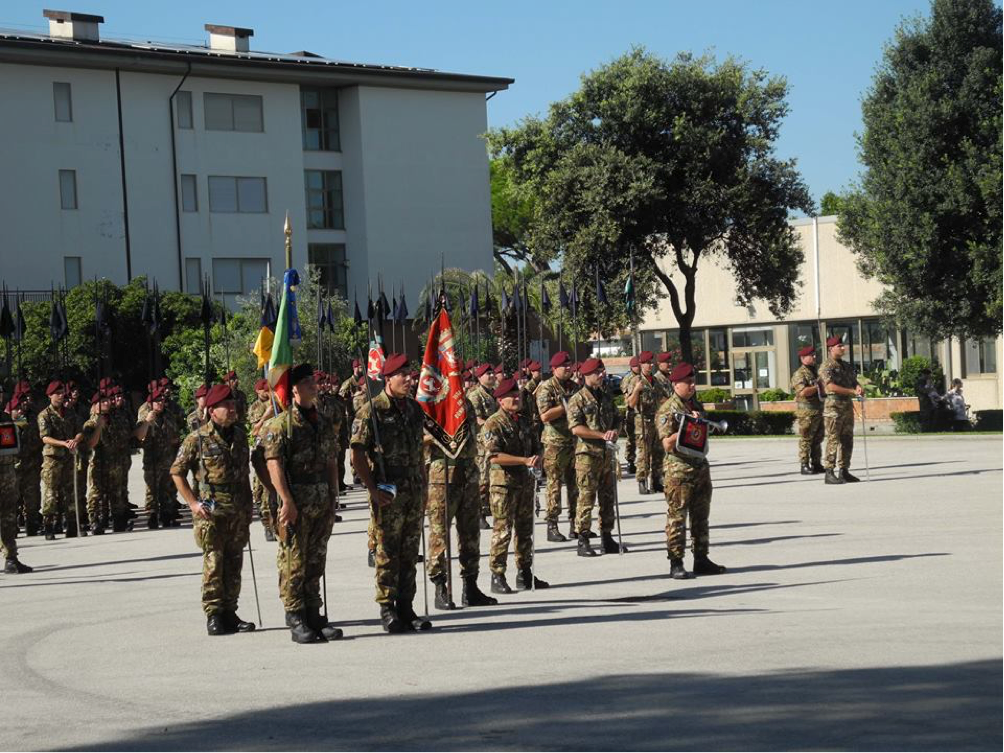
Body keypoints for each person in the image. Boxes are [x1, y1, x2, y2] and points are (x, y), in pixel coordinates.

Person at [351, 353, 431, 634]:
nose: (410, 380)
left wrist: (424, 483)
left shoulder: (413, 409)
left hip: (413, 489)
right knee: (387, 552)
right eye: (403, 376)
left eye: (411, 375)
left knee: (410, 551)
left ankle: (407, 607)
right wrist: (372, 489)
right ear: (388, 379)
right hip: (388, 491)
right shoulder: (371, 411)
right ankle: (387, 607)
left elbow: (418, 450)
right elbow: (357, 453)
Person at [263, 364, 343, 644]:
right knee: (293, 561)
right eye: (307, 382)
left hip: (321, 499)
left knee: (315, 560)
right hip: (296, 500)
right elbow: (273, 465)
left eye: (313, 381)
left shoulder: (322, 421)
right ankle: (295, 615)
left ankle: (314, 613)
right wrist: (286, 500)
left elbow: (332, 459)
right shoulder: (280, 425)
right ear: (293, 388)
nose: (313, 385)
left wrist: (333, 495)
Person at [171, 384, 256, 636]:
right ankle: (214, 614)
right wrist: (192, 503)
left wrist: (250, 506)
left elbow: (244, 474)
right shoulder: (197, 438)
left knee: (234, 562)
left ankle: (231, 611)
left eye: (233, 404)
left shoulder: (240, 436)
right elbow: (177, 472)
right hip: (211, 510)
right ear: (211, 410)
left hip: (238, 509)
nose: (232, 409)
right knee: (214, 562)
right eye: (226, 405)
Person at [424, 393, 497, 610]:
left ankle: (470, 586)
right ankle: (440, 587)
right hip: (442, 476)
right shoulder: (429, 403)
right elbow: (418, 439)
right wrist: (443, 433)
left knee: (470, 533)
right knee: (439, 533)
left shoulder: (464, 402)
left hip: (468, 473)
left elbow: (475, 434)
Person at [655, 362, 726, 579]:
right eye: (688, 382)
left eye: (694, 382)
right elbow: (667, 444)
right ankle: (676, 562)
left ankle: (701, 558)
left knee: (701, 516)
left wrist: (698, 422)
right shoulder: (668, 410)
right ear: (676, 384)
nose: (693, 386)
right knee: (677, 517)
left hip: (699, 468)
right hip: (679, 471)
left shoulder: (693, 405)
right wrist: (688, 426)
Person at [483, 377, 549, 593]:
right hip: (504, 486)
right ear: (501, 400)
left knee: (525, 530)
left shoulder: (524, 420)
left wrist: (538, 456)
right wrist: (523, 460)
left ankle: (525, 573)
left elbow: (537, 445)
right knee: (503, 530)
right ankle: (497, 575)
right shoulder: (493, 423)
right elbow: (493, 456)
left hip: (525, 483)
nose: (516, 398)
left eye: (517, 394)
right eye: (511, 395)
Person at [566, 358, 625, 557]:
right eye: (597, 372)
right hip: (587, 456)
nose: (602, 375)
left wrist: (615, 431)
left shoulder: (606, 396)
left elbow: (617, 418)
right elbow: (576, 428)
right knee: (586, 497)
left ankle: (607, 538)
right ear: (586, 375)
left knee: (608, 498)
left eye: (602, 371)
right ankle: (582, 538)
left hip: (606, 455)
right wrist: (601, 435)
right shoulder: (578, 399)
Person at [536, 351, 578, 541]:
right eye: (564, 366)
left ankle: (575, 523)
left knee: (575, 485)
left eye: (570, 365)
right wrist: (565, 406)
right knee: (554, 485)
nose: (568, 368)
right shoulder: (546, 388)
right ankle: (552, 525)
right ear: (554, 369)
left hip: (573, 442)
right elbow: (544, 415)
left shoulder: (575, 387)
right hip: (555, 443)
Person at [37, 381, 82, 539]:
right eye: (58, 393)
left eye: (63, 393)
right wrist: (63, 443)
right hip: (52, 459)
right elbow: (45, 437)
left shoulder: (70, 413)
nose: (61, 396)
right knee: (50, 492)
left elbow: (79, 431)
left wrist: (75, 440)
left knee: (69, 491)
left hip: (68, 458)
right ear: (50, 395)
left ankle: (71, 524)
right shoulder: (45, 415)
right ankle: (49, 525)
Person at [819, 336, 864, 484]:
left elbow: (853, 381)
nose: (843, 348)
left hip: (846, 406)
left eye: (843, 346)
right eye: (840, 346)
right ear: (831, 349)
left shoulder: (846, 366)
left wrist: (858, 387)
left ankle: (844, 470)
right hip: (834, 407)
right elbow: (830, 386)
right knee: (833, 438)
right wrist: (851, 391)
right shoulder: (826, 366)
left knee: (847, 439)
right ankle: (829, 472)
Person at [137, 386, 183, 528]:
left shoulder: (168, 414)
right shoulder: (146, 415)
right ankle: (152, 516)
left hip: (167, 457)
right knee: (152, 489)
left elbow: (174, 431)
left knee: (167, 489)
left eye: (162, 400)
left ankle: (167, 516)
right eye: (157, 401)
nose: (161, 403)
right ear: (151, 403)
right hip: (153, 459)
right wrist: (147, 422)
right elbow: (139, 436)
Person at [1, 398, 32, 573]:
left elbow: (13, 446)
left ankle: (11, 558)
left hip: (7, 476)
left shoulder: (5, 418)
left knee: (8, 518)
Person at [466, 363, 498, 529]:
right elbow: (478, 420)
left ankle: (487, 509)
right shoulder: (475, 395)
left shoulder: (493, 394)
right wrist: (496, 425)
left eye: (492, 373)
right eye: (488, 374)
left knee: (493, 479)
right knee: (482, 481)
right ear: (479, 377)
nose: (492, 376)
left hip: (493, 442)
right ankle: (478, 513)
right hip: (481, 444)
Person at [10, 390, 42, 536]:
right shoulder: (9, 420)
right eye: (20, 402)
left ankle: (32, 524)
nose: (23, 405)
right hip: (14, 464)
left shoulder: (34, 417)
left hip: (31, 462)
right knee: (13, 497)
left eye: (25, 401)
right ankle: (13, 525)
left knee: (32, 496)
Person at [246, 378, 276, 539]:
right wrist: (268, 413)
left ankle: (275, 523)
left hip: (275, 448)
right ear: (258, 391)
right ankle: (267, 524)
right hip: (262, 449)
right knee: (261, 491)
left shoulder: (277, 404)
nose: (267, 393)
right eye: (265, 391)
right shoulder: (255, 408)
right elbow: (257, 429)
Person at [626, 351, 659, 494]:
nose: (650, 365)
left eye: (651, 363)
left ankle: (656, 481)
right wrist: (636, 391)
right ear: (641, 364)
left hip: (655, 420)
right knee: (644, 453)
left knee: (657, 452)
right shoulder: (635, 381)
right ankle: (642, 481)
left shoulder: (655, 380)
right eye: (647, 363)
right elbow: (630, 404)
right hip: (642, 420)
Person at [790, 344, 825, 474]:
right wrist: (818, 387)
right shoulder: (799, 374)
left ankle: (816, 463)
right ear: (803, 358)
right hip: (807, 412)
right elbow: (803, 392)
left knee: (818, 438)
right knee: (806, 439)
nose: (815, 357)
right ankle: (804, 465)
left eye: (815, 355)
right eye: (812, 355)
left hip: (818, 410)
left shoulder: (814, 371)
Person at [621, 356, 640, 475]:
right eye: (636, 366)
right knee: (631, 437)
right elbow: (627, 396)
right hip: (631, 412)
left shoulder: (642, 377)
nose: (638, 368)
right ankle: (630, 461)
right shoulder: (628, 379)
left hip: (640, 412)